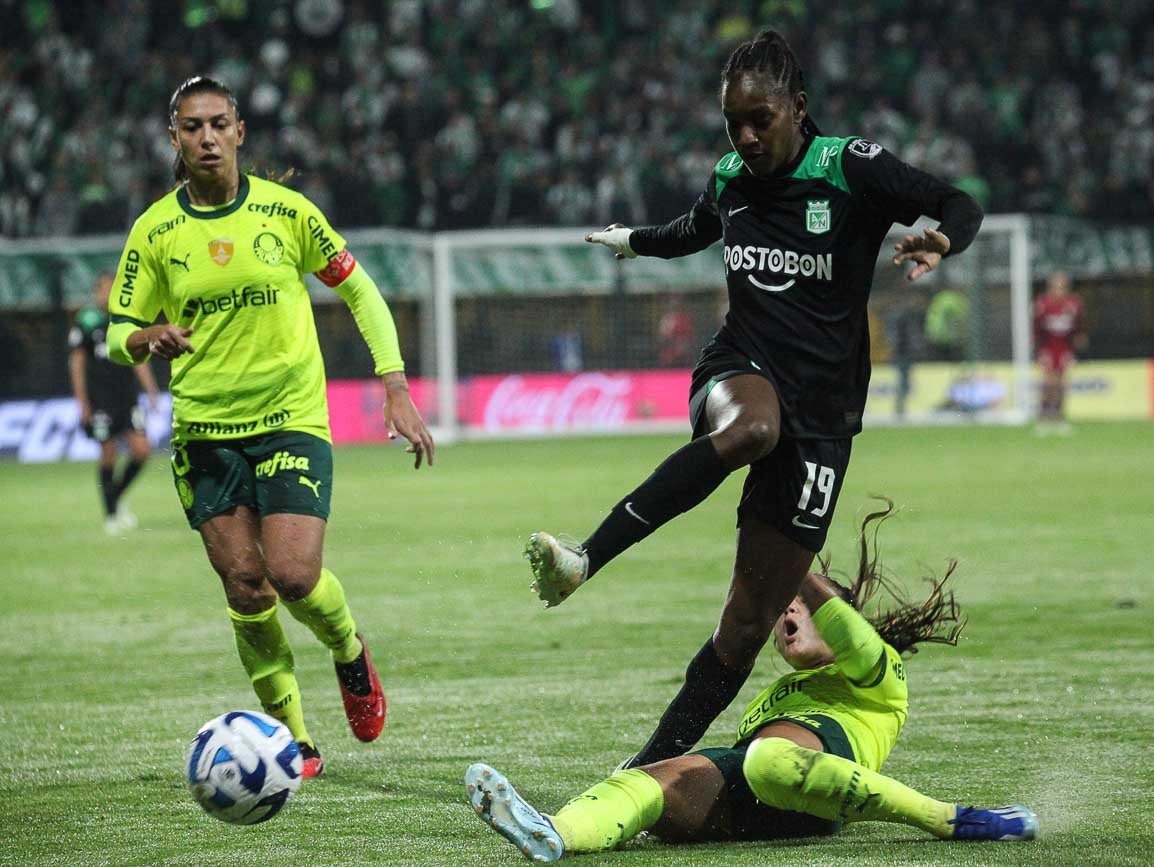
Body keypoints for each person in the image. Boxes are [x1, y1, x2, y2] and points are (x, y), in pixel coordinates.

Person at [525, 30, 983, 770]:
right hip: (739, 366)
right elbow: (692, 230)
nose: (744, 136)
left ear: (797, 108)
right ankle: (584, 557)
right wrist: (632, 241)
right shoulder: (731, 175)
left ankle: (642, 777)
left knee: (743, 629)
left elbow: (957, 201)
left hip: (824, 417)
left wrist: (943, 241)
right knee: (752, 429)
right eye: (732, 122)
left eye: (759, 119)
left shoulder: (850, 168)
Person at [106, 76, 435, 778]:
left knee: (291, 573)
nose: (206, 137)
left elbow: (359, 287)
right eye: (191, 127)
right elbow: (116, 332)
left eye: (218, 124)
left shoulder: (286, 213)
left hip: (291, 420)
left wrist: (396, 385)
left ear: (239, 131)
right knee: (245, 585)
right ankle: (293, 740)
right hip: (205, 432)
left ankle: (348, 648)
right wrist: (144, 338)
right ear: (174, 138)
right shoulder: (155, 231)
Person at [473, 505, 1037, 861]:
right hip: (758, 792)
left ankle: (946, 818)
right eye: (783, 607)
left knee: (767, 757)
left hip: (811, 791)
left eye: (802, 605)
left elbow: (854, 638)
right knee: (647, 785)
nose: (788, 613)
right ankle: (555, 832)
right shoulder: (770, 700)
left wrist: (792, 559)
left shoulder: (881, 678)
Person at [69, 271, 160, 533]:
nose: (108, 295)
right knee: (108, 453)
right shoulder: (86, 322)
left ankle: (115, 497)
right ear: (96, 292)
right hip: (100, 401)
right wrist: (82, 403)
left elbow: (138, 360)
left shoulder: (125, 320)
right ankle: (110, 514)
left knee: (142, 450)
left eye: (113, 289)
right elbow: (77, 363)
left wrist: (151, 391)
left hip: (128, 398)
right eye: (104, 290)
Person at [1033, 271, 1086, 430]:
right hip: (1048, 347)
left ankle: (1060, 416)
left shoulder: (1074, 304)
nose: (1059, 291)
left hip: (1064, 348)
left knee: (1062, 382)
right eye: (1056, 287)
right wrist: (1038, 350)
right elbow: (1036, 328)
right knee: (1049, 382)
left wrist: (1078, 340)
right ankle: (1043, 416)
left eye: (1062, 287)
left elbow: (1080, 325)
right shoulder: (1042, 304)